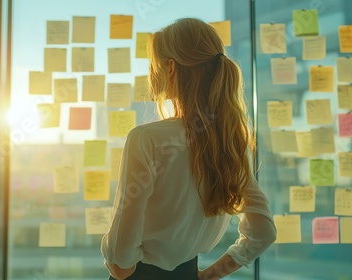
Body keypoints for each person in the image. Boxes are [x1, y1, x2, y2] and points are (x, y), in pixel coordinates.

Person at [100, 17, 276, 280]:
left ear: (170, 68)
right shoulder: (231, 142)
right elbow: (263, 233)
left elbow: (121, 264)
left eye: (153, 64)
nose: (150, 73)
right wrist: (210, 275)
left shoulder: (146, 139)